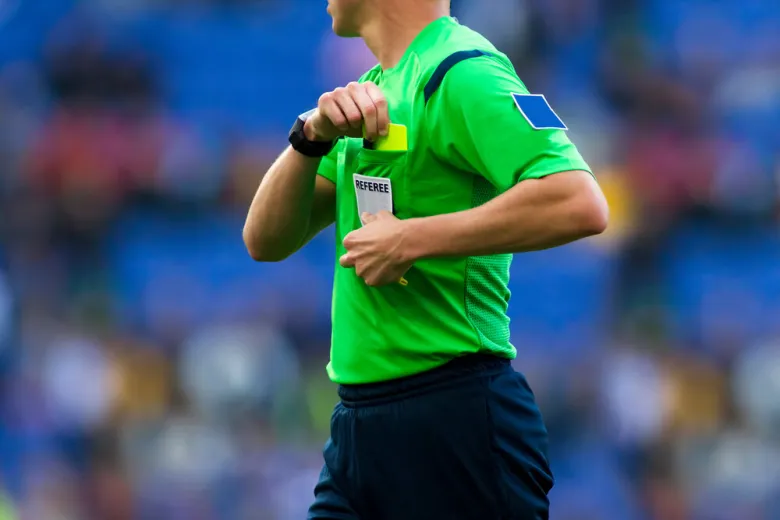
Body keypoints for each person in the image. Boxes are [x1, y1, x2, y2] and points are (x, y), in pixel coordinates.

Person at [243, 0, 609, 518]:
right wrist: (309, 137)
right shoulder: (369, 93)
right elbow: (265, 240)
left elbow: (578, 201)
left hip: (454, 422)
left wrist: (410, 239)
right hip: (359, 428)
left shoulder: (463, 71)